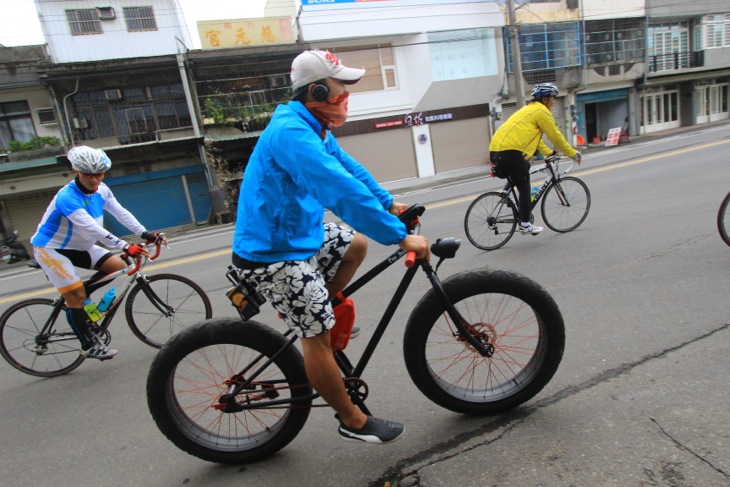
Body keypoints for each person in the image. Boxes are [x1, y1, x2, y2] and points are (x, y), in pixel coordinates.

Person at [231, 49, 430, 445]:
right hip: (272, 253)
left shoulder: (314, 127)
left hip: (295, 235)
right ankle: (351, 419)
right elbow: (337, 189)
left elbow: (349, 171)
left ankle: (318, 306)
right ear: (318, 90)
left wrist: (388, 202)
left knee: (354, 244)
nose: (347, 95)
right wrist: (397, 234)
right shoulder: (292, 134)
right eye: (342, 87)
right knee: (317, 335)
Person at [31, 146, 165, 360]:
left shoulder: (102, 190)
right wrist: (124, 245)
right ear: (76, 170)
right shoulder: (67, 198)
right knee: (76, 295)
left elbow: (120, 212)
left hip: (81, 246)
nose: (94, 180)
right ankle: (87, 345)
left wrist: (145, 233)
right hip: (51, 248)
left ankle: (79, 299)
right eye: (88, 175)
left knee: (120, 267)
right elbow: (92, 229)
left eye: (99, 174)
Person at [489, 82, 582, 235]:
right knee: (525, 186)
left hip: (496, 151)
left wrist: (550, 153)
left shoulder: (528, 110)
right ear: (545, 98)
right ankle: (525, 224)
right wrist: (572, 152)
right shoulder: (541, 111)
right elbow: (555, 135)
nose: (554, 102)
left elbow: (536, 140)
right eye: (553, 98)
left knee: (523, 167)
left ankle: (505, 194)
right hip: (509, 152)